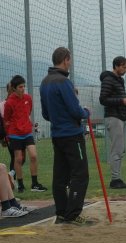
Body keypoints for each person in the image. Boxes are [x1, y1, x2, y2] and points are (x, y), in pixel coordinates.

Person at [40, 47, 93, 226]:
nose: (70, 63)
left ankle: (61, 213)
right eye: (69, 60)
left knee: (60, 176)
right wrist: (86, 112)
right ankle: (73, 214)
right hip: (72, 135)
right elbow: (74, 110)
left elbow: (46, 114)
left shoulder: (44, 82)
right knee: (81, 174)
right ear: (65, 60)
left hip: (57, 135)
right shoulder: (64, 82)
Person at [99, 56, 126, 189]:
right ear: (116, 66)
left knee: (120, 148)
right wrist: (122, 101)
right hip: (113, 117)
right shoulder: (108, 79)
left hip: (121, 116)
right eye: (124, 67)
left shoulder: (119, 80)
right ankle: (115, 180)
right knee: (117, 149)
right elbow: (103, 99)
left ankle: (117, 178)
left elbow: (118, 98)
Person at [4, 75, 47, 193]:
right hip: (15, 134)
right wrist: (8, 135)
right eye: (20, 87)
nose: (23, 89)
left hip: (27, 132)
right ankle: (21, 185)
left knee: (33, 155)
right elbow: (7, 119)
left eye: (24, 86)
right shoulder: (9, 102)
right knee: (18, 159)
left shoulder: (28, 98)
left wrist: (25, 124)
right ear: (14, 88)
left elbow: (29, 111)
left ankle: (35, 184)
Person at [0, 83, 16, 187]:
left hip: (19, 133)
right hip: (9, 135)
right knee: (15, 156)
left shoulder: (18, 102)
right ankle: (11, 178)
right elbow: (3, 121)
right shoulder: (3, 104)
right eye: (12, 89)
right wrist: (3, 138)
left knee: (18, 157)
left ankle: (12, 177)